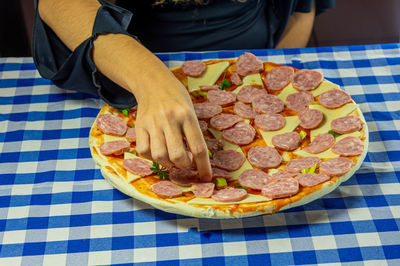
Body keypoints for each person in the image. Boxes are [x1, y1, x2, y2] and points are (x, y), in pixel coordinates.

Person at [33, 0, 335, 181]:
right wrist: (152, 81)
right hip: (128, 71)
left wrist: (273, 83)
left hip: (257, 63)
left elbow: (301, 10)